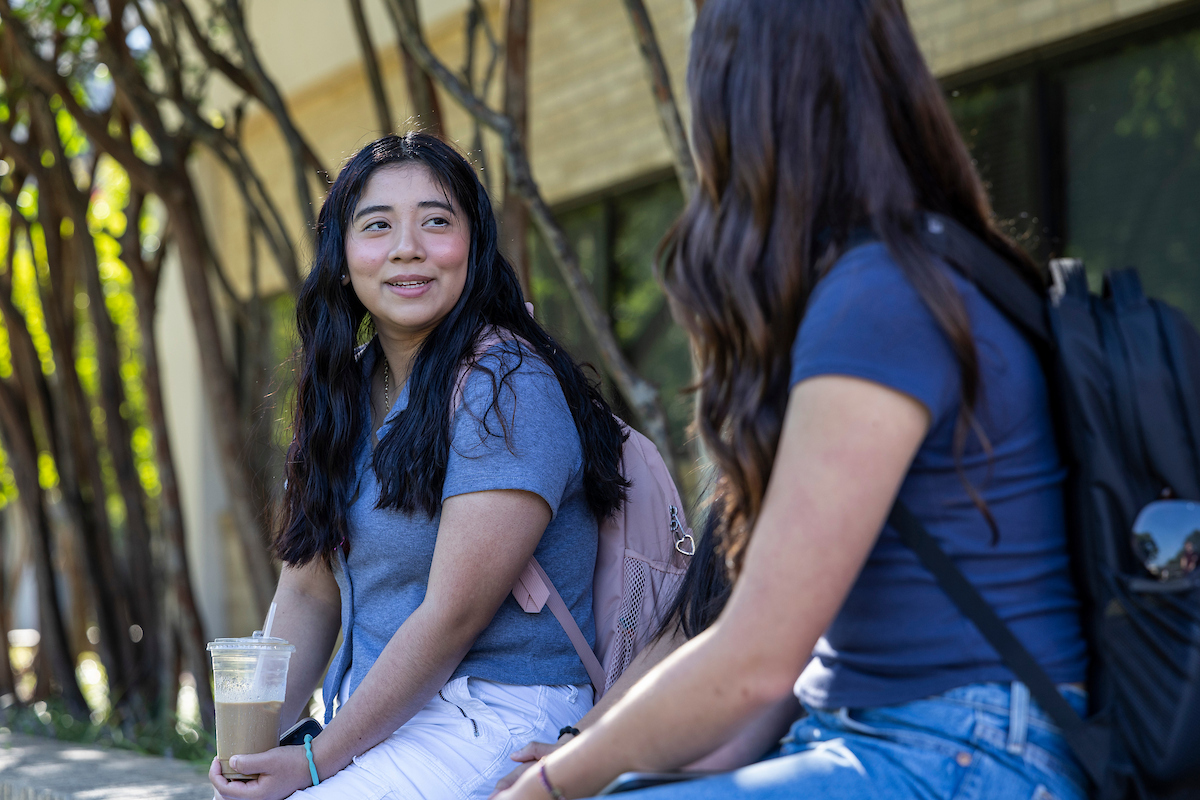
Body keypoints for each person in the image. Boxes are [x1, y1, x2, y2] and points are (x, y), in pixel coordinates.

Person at [494, 1, 1090, 799]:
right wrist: (596, 759)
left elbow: (752, 661)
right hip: (906, 734)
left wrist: (550, 787)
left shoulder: (879, 299)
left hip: (962, 749)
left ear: (745, 102)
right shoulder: (925, 270)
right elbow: (758, 678)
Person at [209, 132, 627, 800]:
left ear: (474, 248)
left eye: (437, 221)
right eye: (378, 226)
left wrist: (316, 763)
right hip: (383, 722)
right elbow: (307, 591)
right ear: (343, 259)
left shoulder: (506, 383)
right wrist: (261, 743)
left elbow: (451, 615)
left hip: (500, 712)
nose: (408, 246)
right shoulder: (342, 391)